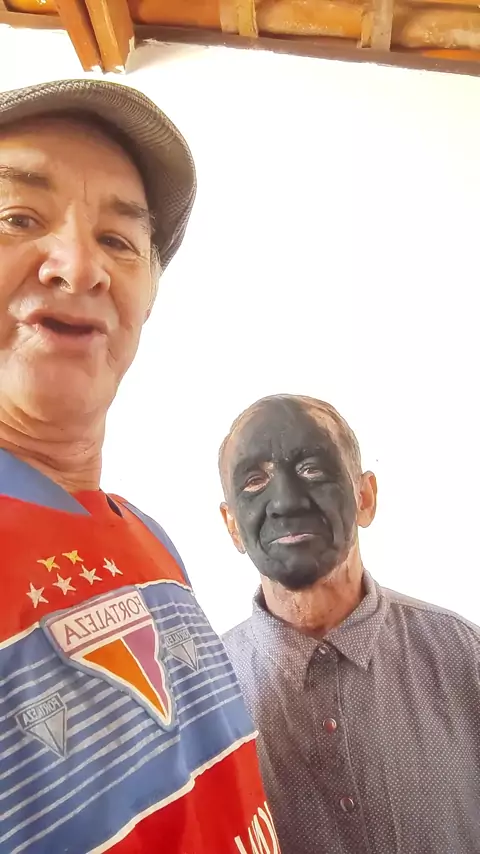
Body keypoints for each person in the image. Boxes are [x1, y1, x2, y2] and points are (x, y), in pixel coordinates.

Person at [0, 79, 279, 854]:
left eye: (120, 241)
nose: (79, 267)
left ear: (148, 296)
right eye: (17, 217)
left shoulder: (149, 539)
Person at [220, 393, 480, 854]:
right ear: (232, 526)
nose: (285, 503)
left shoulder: (463, 655)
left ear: (365, 497)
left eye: (311, 470)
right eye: (255, 481)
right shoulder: (203, 697)